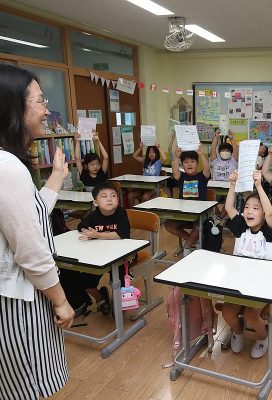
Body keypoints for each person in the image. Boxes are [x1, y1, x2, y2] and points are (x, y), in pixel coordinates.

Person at [0, 64, 74, 399]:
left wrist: (56, 177)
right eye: (41, 101)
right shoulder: (7, 167)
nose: (47, 110)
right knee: (25, 388)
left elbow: (29, 216)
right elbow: (30, 248)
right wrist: (60, 300)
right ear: (13, 107)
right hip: (17, 301)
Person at [223, 169, 272, 358]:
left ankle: (262, 338)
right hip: (239, 281)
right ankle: (238, 332)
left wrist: (259, 186)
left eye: (255, 208)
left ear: (262, 213)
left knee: (251, 314)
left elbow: (270, 212)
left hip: (263, 284)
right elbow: (229, 207)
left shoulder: (268, 231)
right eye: (247, 207)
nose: (249, 211)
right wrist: (232, 185)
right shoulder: (241, 227)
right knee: (227, 313)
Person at [60, 181, 130, 314]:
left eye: (113, 195)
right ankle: (101, 298)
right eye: (104, 196)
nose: (109, 199)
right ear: (96, 202)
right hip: (98, 255)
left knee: (119, 282)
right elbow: (80, 227)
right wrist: (88, 233)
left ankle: (118, 303)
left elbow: (122, 234)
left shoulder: (121, 213)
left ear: (118, 199)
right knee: (84, 282)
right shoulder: (93, 215)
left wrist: (97, 235)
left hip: (121, 255)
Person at [164, 144, 210, 255]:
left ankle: (187, 245)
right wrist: (176, 157)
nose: (189, 164)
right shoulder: (182, 177)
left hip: (200, 214)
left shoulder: (202, 176)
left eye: (192, 161)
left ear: (197, 163)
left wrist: (201, 155)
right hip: (184, 213)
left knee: (200, 226)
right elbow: (175, 172)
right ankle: (191, 240)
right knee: (168, 225)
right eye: (186, 162)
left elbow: (207, 169)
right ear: (182, 165)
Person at [210, 129, 238, 219]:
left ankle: (220, 218)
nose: (225, 152)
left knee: (229, 202)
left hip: (229, 187)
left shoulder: (233, 161)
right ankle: (216, 217)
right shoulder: (215, 160)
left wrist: (232, 139)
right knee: (210, 199)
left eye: (227, 150)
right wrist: (216, 138)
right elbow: (213, 149)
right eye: (223, 150)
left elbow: (236, 150)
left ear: (231, 152)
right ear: (219, 152)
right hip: (215, 187)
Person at [127, 142, 165, 206]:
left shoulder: (158, 162)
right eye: (149, 152)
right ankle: (133, 211)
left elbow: (164, 158)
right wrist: (140, 148)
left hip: (154, 186)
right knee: (130, 195)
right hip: (143, 185)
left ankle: (147, 211)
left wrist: (159, 147)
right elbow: (134, 156)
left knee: (145, 196)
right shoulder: (145, 161)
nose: (151, 154)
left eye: (153, 152)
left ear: (157, 153)